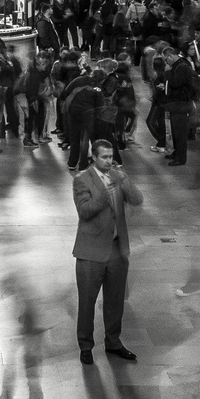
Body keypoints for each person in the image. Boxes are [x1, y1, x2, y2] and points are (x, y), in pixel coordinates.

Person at [71, 139, 142, 364]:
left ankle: (113, 342)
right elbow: (85, 211)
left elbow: (137, 199)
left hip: (116, 248)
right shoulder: (82, 180)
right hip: (91, 251)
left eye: (111, 157)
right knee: (87, 302)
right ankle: (86, 345)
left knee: (115, 301)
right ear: (94, 157)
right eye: (104, 157)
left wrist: (125, 181)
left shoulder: (118, 176)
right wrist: (104, 193)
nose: (109, 161)